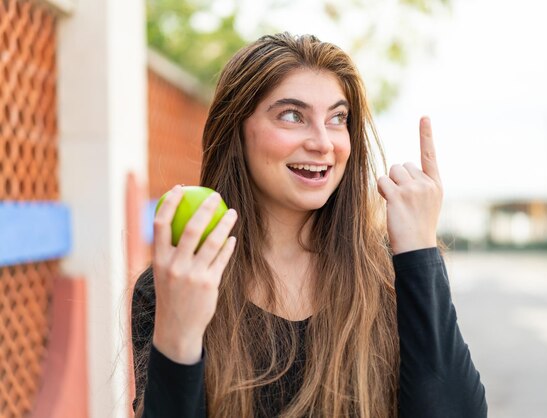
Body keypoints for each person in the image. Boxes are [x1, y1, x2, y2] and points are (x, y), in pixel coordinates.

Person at [131, 32, 487, 418]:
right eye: (291, 115)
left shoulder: (389, 275)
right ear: (237, 130)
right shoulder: (179, 282)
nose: (323, 142)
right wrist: (179, 334)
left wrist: (420, 252)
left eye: (337, 119)